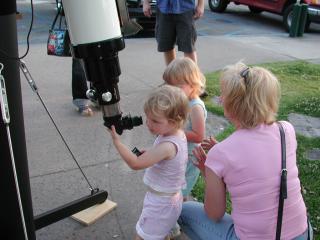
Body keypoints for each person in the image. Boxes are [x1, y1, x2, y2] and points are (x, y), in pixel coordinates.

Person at [178, 62, 312, 239]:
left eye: (222, 95)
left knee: (181, 210)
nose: (220, 99)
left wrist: (207, 170)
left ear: (230, 106)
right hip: (303, 234)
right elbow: (262, 161)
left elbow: (214, 214)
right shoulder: (286, 130)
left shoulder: (221, 154)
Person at [108, 85, 189, 240]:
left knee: (143, 237)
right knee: (158, 233)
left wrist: (117, 142)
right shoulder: (176, 134)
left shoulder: (167, 146)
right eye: (147, 118)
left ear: (175, 121)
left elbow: (135, 163)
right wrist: (150, 152)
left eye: (155, 121)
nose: (148, 124)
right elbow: (165, 155)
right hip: (167, 199)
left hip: (161, 204)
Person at [163, 57, 207, 201]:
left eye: (178, 87)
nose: (173, 91)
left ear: (193, 84)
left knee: (181, 189)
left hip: (189, 156)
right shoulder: (182, 100)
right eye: (170, 86)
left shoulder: (195, 107)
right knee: (174, 186)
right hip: (180, 151)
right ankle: (177, 209)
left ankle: (177, 213)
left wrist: (173, 132)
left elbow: (199, 135)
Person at [143, 0, 204, 65]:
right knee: (166, 46)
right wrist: (145, 2)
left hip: (185, 8)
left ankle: (192, 75)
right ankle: (172, 74)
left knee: (188, 47)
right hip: (163, 8)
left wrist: (201, 4)